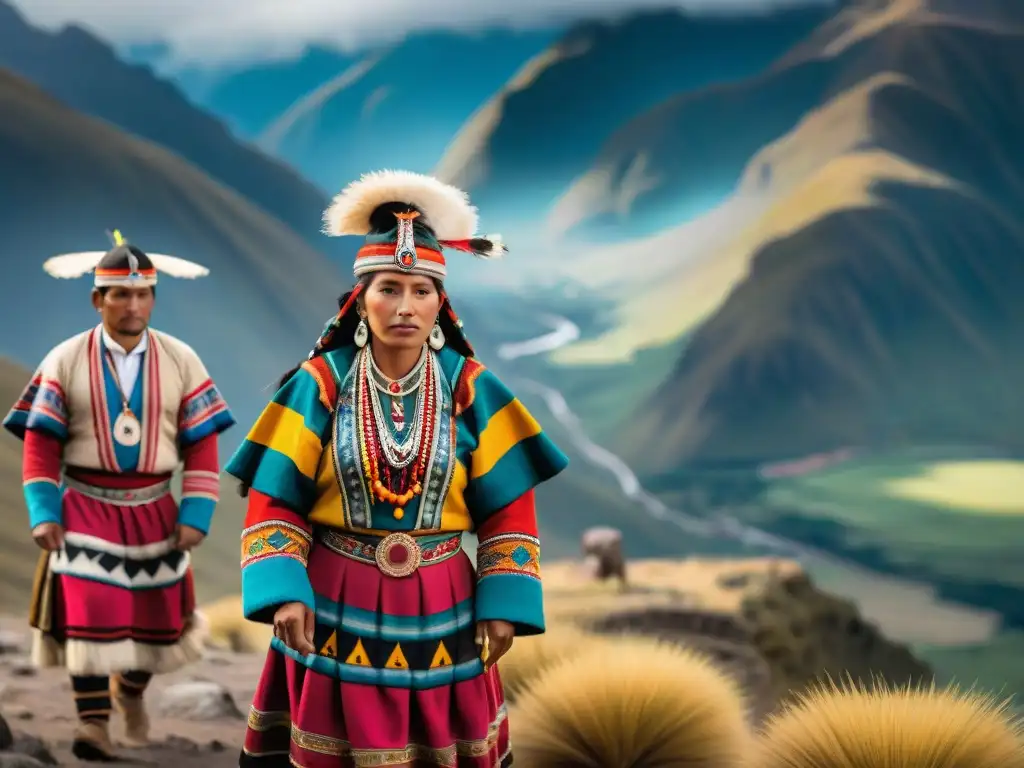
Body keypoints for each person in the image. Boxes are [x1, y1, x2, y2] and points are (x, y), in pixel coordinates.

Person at [228, 170, 570, 767]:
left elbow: (508, 509)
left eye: (420, 291)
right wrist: (283, 591)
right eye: (389, 288)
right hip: (334, 601)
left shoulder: (472, 390)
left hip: (448, 606)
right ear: (362, 297)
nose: (405, 306)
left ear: (442, 303)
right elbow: (276, 497)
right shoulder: (320, 387)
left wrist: (504, 601)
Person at [2, 231, 236, 761]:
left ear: (153, 297)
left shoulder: (182, 360)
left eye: (143, 293)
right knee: (90, 614)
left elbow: (203, 447)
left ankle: (129, 696)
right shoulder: (64, 359)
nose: (133, 304)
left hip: (156, 507)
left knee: (154, 626)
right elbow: (41, 447)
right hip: (83, 504)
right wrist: (44, 513)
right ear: (97, 300)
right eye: (120, 294)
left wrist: (197, 512)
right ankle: (93, 726)